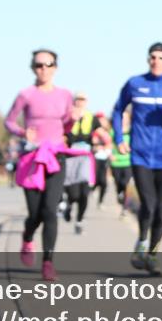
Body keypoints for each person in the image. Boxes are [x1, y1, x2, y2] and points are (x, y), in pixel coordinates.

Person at [112, 42, 162, 275]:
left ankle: (152, 255)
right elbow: (118, 110)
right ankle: (141, 242)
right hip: (140, 155)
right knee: (148, 204)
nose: (156, 61)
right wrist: (120, 137)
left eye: (160, 58)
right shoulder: (135, 83)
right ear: (148, 60)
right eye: (152, 57)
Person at [5, 48, 74, 281]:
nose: (43, 69)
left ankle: (48, 263)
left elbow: (66, 126)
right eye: (38, 65)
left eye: (48, 64)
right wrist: (23, 132)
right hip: (32, 158)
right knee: (35, 213)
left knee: (50, 211)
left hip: (55, 157)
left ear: (55, 67)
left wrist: (73, 120)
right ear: (33, 68)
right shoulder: (26, 94)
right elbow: (9, 121)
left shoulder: (65, 95)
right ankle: (27, 236)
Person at [62, 93, 100, 232]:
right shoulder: (67, 117)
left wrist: (102, 142)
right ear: (74, 101)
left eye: (83, 99)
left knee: (84, 193)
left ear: (87, 101)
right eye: (78, 99)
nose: (80, 102)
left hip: (86, 158)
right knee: (73, 194)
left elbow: (101, 132)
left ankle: (79, 220)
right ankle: (69, 206)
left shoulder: (92, 117)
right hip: (70, 158)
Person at [109, 111, 134, 215]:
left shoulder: (133, 131)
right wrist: (110, 154)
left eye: (126, 118)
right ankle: (119, 193)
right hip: (116, 162)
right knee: (118, 183)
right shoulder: (114, 131)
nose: (124, 120)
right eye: (122, 118)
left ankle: (125, 206)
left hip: (128, 162)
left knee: (125, 182)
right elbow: (109, 143)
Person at [91, 114, 113, 208]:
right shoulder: (93, 133)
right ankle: (91, 191)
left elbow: (110, 145)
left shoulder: (108, 133)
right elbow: (94, 144)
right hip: (95, 158)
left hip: (104, 159)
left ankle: (100, 201)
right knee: (95, 180)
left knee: (104, 182)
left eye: (103, 120)